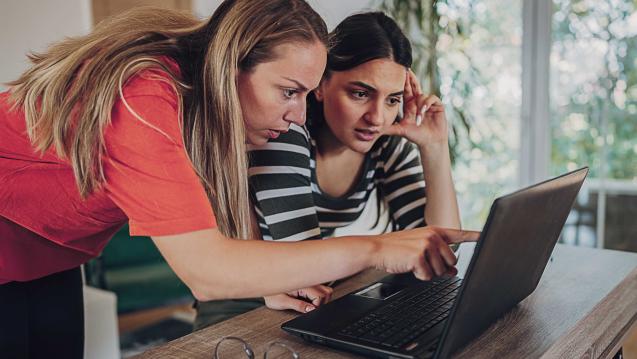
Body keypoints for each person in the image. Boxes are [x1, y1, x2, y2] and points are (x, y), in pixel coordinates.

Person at [0, 1, 477, 356]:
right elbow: (206, 271)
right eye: (289, 91)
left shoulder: (202, 103)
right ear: (231, 65)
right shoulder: (143, 95)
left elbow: (229, 217)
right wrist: (378, 248)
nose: (296, 116)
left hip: (50, 255)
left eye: (304, 95)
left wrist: (268, 280)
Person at [195, 12, 463, 329]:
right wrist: (376, 253)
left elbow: (443, 252)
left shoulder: (384, 144)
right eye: (360, 94)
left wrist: (434, 147)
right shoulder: (285, 134)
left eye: (392, 100)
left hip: (316, 295)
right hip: (245, 306)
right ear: (321, 85)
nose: (377, 117)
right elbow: (303, 263)